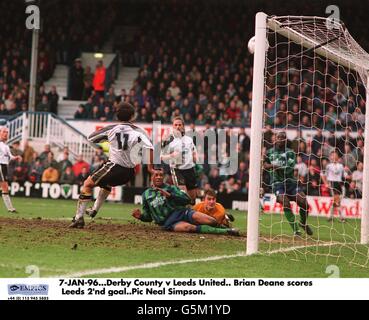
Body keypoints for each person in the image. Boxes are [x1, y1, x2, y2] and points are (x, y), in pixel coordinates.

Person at [70, 102, 154, 228]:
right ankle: (94, 210)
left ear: (117, 116)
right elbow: (150, 148)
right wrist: (150, 168)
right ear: (132, 116)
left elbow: (91, 138)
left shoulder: (112, 129)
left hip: (114, 166)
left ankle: (78, 218)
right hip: (129, 172)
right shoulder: (139, 131)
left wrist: (108, 138)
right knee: (106, 184)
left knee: (87, 184)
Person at [132, 168, 239, 236]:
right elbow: (149, 216)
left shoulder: (171, 188)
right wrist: (140, 216)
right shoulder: (146, 195)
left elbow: (187, 200)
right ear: (152, 177)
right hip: (168, 222)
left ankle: (223, 225)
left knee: (211, 220)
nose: (159, 177)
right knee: (189, 228)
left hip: (183, 212)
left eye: (161, 175)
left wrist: (170, 196)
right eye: (156, 175)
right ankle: (226, 232)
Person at [264, 131, 313, 236]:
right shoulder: (269, 152)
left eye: (283, 137)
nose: (281, 139)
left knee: (304, 202)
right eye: (279, 137)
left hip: (291, 182)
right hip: (277, 183)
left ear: (286, 139)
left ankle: (303, 223)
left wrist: (274, 166)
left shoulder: (290, 153)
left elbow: (289, 169)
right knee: (285, 202)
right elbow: (264, 165)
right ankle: (296, 230)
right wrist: (267, 166)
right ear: (275, 138)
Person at [161, 117, 198, 202]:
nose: (178, 126)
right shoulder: (168, 140)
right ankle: (185, 213)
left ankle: (190, 212)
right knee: (183, 195)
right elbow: (161, 156)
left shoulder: (189, 139)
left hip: (190, 169)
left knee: (192, 198)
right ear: (172, 126)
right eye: (175, 125)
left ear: (183, 126)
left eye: (179, 125)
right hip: (177, 170)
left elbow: (194, 152)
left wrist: (195, 158)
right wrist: (171, 155)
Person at [0, 127, 22, 213]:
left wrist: (16, 157)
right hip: (0, 166)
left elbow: (10, 156)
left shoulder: (6, 146)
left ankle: (10, 208)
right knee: (5, 187)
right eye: (4, 132)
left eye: (7, 132)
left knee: (4, 187)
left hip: (4, 167)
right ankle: (10, 208)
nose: (6, 134)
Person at [321, 150, 346, 222]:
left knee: (336, 202)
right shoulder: (328, 166)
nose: (334, 156)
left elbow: (343, 176)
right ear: (330, 157)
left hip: (340, 184)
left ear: (338, 157)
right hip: (332, 184)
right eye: (332, 155)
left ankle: (329, 217)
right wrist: (326, 183)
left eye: (335, 155)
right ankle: (341, 218)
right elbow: (323, 175)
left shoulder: (341, 166)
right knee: (337, 200)